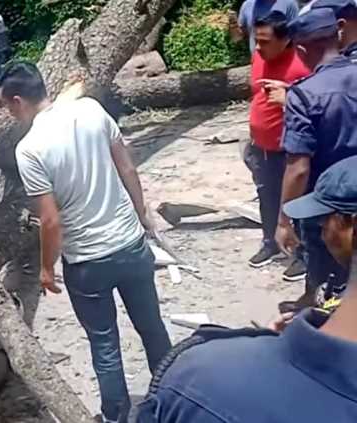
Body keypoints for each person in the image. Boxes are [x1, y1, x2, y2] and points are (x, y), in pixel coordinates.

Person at [0, 62, 171, 423]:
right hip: (129, 243)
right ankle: (171, 401)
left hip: (87, 261)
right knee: (152, 328)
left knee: (105, 344)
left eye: (8, 107)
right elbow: (128, 168)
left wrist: (47, 269)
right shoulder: (91, 109)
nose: (10, 114)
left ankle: (116, 416)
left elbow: (50, 220)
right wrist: (141, 215)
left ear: (17, 101)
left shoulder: (29, 149)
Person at [137, 155, 357, 422]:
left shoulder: (194, 380)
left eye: (324, 221)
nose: (320, 232)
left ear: (352, 228)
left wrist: (273, 342)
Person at [276, 7, 357, 307]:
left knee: (326, 280)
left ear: (300, 50)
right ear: (338, 34)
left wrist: (284, 220)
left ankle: (318, 313)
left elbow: (298, 168)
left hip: (328, 204)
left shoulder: (303, 95)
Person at [244, 10, 311, 283]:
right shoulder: (259, 56)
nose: (258, 47)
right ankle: (270, 242)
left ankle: (303, 254)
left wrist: (290, 94)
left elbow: (317, 103)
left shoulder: (303, 63)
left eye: (265, 42)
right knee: (267, 197)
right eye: (256, 40)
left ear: (285, 40)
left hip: (289, 149)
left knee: (297, 201)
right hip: (261, 146)